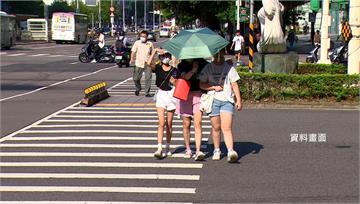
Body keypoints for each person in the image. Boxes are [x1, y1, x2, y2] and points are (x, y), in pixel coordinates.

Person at [199, 49, 242, 163]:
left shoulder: (229, 68)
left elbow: (234, 84)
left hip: (227, 100)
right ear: (213, 55)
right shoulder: (208, 68)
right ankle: (217, 150)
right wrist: (213, 87)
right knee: (216, 128)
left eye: (221, 53)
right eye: (216, 53)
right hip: (213, 100)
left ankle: (230, 151)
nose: (218, 56)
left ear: (223, 54)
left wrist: (238, 100)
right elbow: (202, 84)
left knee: (227, 128)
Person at [147, 48, 177, 159]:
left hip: (171, 95)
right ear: (160, 58)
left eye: (167, 56)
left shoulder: (174, 69)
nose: (166, 58)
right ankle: (159, 148)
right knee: (161, 123)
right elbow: (149, 63)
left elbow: (178, 83)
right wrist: (154, 51)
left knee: (169, 123)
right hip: (161, 95)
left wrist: (175, 82)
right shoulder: (158, 68)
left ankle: (167, 147)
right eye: (164, 56)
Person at [176, 58, 209, 161]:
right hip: (185, 95)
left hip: (198, 94)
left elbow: (207, 77)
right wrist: (194, 69)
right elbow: (184, 77)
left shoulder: (203, 63)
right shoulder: (182, 64)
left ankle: (198, 150)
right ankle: (188, 149)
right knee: (186, 124)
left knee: (197, 123)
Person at [130, 30, 154, 97]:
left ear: (147, 37)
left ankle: (147, 92)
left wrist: (153, 62)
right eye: (141, 36)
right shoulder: (137, 43)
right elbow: (133, 51)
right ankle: (138, 88)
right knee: (136, 78)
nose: (142, 37)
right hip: (138, 63)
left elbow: (152, 53)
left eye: (144, 36)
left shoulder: (150, 44)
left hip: (147, 63)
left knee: (148, 78)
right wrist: (131, 58)